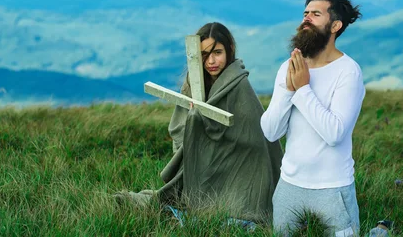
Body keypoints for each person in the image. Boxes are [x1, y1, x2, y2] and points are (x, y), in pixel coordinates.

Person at [117, 22, 283, 226]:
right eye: (204, 54)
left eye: (218, 52)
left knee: (235, 215)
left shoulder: (240, 86)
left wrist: (214, 140)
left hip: (237, 172)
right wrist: (196, 128)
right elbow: (178, 127)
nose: (211, 61)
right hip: (203, 169)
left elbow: (254, 139)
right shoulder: (194, 83)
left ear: (229, 51)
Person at [260, 0, 365, 237]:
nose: (306, 18)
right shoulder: (290, 67)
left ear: (335, 26)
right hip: (289, 186)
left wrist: (303, 89)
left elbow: (335, 133)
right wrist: (289, 89)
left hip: (333, 189)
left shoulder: (348, 71)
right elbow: (271, 132)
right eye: (305, 13)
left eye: (316, 14)